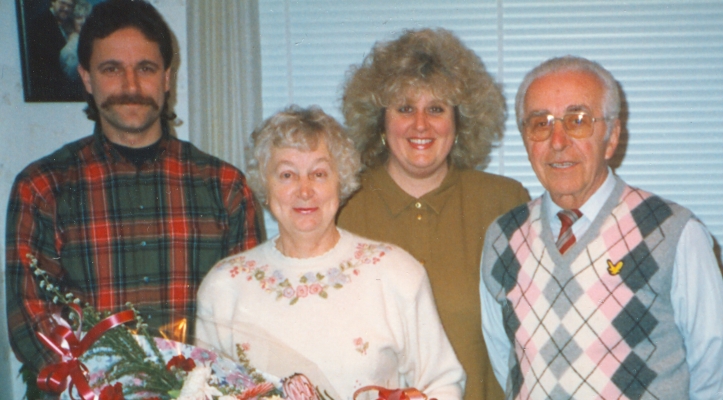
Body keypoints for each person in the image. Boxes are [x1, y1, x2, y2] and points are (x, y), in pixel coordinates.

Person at [6, 0, 264, 387]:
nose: (130, 86)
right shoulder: (42, 187)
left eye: (145, 68)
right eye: (112, 69)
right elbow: (31, 324)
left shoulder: (225, 187)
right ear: (87, 78)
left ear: (166, 78)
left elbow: (249, 320)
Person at [480, 55, 723, 399]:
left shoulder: (674, 232)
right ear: (526, 141)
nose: (558, 140)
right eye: (541, 123)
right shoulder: (501, 239)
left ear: (612, 137)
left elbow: (715, 373)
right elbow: (507, 363)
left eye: (577, 120)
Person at [196, 105, 465, 399]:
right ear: (265, 184)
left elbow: (443, 385)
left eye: (319, 173)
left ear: (342, 181)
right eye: (287, 175)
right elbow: (201, 391)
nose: (305, 190)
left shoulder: (395, 272)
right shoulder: (225, 286)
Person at [337, 28, 529, 399]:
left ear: (459, 123)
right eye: (405, 108)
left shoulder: (504, 203)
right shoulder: (342, 206)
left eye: (436, 109)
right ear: (380, 121)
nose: (421, 124)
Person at [25, 0, 84, 101]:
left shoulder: (59, 24)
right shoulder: (42, 23)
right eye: (63, 3)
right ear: (53, 2)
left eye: (69, 6)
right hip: (47, 91)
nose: (66, 9)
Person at [60, 0, 92, 82]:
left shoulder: (90, 38)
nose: (83, 21)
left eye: (86, 18)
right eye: (79, 18)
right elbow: (71, 73)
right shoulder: (73, 41)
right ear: (72, 21)